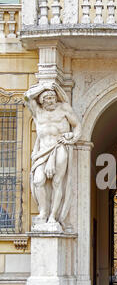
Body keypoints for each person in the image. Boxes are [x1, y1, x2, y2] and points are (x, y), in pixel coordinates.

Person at [25, 82, 81, 229]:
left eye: (53, 97)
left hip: (59, 147)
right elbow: (27, 96)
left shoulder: (63, 109)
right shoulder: (38, 112)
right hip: (42, 151)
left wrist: (72, 137)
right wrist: (45, 86)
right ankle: (43, 212)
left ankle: (53, 216)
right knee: (38, 181)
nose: (51, 100)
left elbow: (77, 126)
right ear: (41, 100)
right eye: (47, 98)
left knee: (57, 182)